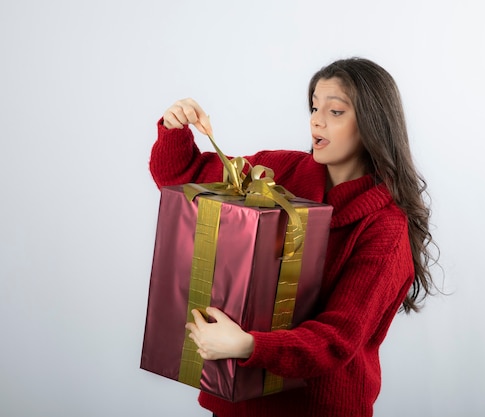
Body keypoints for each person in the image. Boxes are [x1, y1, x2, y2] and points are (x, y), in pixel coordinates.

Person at [149, 57, 436, 417]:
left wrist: (247, 345)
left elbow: (336, 339)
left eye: (335, 111)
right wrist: (175, 128)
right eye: (315, 107)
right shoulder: (280, 172)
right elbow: (181, 177)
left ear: (372, 124)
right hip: (236, 402)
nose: (316, 119)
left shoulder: (385, 228)